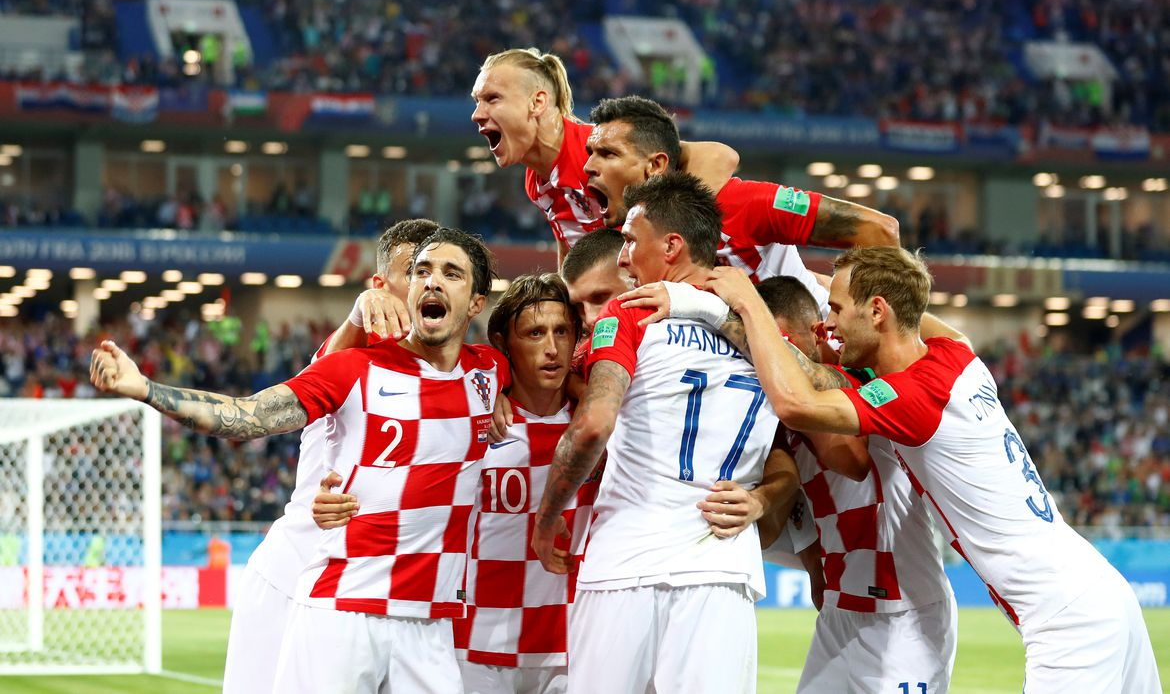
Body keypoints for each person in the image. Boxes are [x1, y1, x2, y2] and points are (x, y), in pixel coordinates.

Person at [703, 246, 1162, 693]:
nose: (830, 321)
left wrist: (746, 303)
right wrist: (838, 285)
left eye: (838, 308)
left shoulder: (914, 400)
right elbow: (922, 318)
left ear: (878, 311)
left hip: (1067, 619)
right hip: (1100, 588)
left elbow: (796, 403)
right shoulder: (957, 357)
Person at [91, 227, 510, 694]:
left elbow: (553, 375)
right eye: (420, 272)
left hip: (429, 622)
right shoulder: (351, 366)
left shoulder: (490, 370)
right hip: (339, 602)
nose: (431, 282)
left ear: (476, 302)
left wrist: (507, 397)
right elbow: (248, 416)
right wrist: (146, 388)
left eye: (450, 273)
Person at [533, 172, 802, 693]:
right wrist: (763, 500)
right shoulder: (769, 337)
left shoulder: (633, 314)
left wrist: (548, 520)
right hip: (721, 572)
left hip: (624, 563)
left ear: (672, 245)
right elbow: (791, 440)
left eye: (631, 242)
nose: (624, 257)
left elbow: (592, 425)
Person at [315, 273, 596, 694]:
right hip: (473, 649)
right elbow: (402, 485)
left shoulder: (600, 427)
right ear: (504, 343)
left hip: (572, 647)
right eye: (535, 333)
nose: (552, 348)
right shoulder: (472, 423)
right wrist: (329, 502)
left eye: (562, 332)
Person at [754, 275, 957, 694]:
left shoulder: (858, 375)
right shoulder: (778, 408)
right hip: (841, 608)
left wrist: (787, 395)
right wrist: (814, 566)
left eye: (776, 343)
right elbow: (800, 504)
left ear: (813, 336)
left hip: (903, 611)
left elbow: (851, 461)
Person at [582, 95, 900, 315]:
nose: (588, 167)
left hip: (814, 369)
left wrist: (856, 317)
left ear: (655, 166)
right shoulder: (628, 239)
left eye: (608, 154)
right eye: (590, 153)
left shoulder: (742, 204)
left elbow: (879, 230)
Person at [470, 48, 739, 265]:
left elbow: (720, 156)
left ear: (537, 102)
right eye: (477, 101)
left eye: (492, 99)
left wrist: (670, 236)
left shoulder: (596, 144)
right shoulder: (535, 182)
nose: (477, 114)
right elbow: (570, 244)